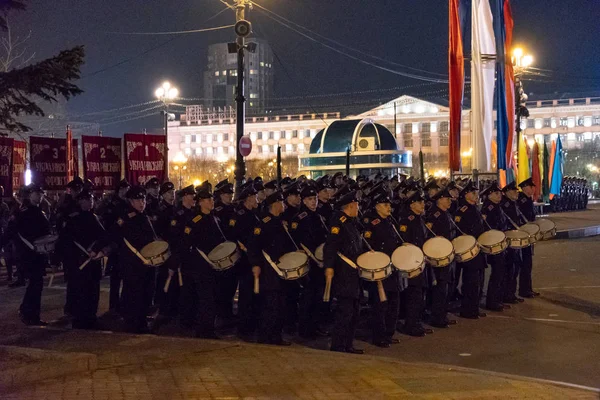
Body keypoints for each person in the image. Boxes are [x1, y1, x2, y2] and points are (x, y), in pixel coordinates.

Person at [57, 190, 112, 329]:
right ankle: (81, 318)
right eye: (87, 199)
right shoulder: (73, 219)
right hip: (79, 261)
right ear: (80, 201)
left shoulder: (93, 217)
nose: (91, 201)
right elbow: (65, 241)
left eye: (92, 199)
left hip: (91, 260)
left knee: (92, 290)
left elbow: (103, 236)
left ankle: (90, 317)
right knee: (81, 290)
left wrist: (96, 249)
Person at [247, 191, 296, 346]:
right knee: (270, 305)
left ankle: (276, 336)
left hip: (281, 269)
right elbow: (254, 246)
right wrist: (255, 264)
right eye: (282, 202)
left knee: (280, 304)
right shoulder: (264, 223)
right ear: (275, 204)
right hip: (269, 271)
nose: (284, 205)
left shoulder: (279, 221)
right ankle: (266, 336)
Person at [324, 191, 365, 354]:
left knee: (354, 310)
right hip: (344, 272)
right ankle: (338, 344)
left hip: (353, 271)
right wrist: (329, 267)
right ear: (351, 205)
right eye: (357, 205)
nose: (358, 208)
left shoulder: (351, 222)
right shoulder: (338, 221)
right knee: (345, 311)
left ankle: (348, 344)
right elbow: (331, 246)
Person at [6, 184, 51, 325]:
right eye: (37, 193)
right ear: (29, 195)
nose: (40, 196)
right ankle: (28, 312)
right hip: (27, 254)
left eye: (41, 193)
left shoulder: (39, 211)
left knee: (37, 284)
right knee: (35, 284)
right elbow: (10, 232)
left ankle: (31, 313)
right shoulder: (22, 213)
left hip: (38, 253)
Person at [114, 185, 158, 333]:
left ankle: (141, 320)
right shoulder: (127, 218)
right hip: (133, 263)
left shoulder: (144, 215)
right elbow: (117, 237)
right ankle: (132, 321)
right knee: (134, 293)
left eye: (143, 199)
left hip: (147, 262)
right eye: (138, 200)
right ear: (131, 201)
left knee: (146, 292)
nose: (142, 202)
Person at [180, 187, 222, 339]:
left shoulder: (214, 217)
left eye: (212, 199)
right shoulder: (195, 220)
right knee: (205, 299)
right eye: (208, 200)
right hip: (201, 265)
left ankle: (209, 327)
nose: (212, 202)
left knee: (213, 297)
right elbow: (187, 243)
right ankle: (203, 329)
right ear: (200, 202)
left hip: (214, 264)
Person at [362, 188, 401, 347]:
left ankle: (388, 333)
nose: (388, 208)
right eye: (385, 205)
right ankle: (379, 336)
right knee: (379, 305)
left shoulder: (390, 221)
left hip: (392, 268)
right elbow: (368, 246)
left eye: (389, 205)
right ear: (377, 206)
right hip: (379, 269)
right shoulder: (372, 223)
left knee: (393, 302)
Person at [290, 185, 329, 339]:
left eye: (315, 199)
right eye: (310, 199)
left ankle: (315, 326)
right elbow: (295, 241)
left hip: (319, 261)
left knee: (318, 297)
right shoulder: (300, 218)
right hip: (307, 262)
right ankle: (305, 329)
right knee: (307, 297)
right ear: (304, 201)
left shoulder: (318, 216)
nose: (313, 202)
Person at [227, 185, 261, 339]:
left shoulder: (253, 214)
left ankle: (251, 323)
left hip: (253, 257)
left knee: (253, 295)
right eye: (255, 197)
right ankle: (244, 326)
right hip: (245, 260)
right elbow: (234, 236)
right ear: (248, 198)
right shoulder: (240, 215)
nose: (257, 200)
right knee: (246, 293)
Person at [398, 190, 433, 336]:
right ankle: (411, 324)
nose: (423, 204)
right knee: (414, 294)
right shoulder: (408, 219)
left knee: (420, 293)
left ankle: (416, 322)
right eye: (420, 202)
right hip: (412, 261)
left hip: (420, 260)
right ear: (412, 204)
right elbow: (405, 242)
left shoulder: (418, 218)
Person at [453, 181, 488, 319]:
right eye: (473, 193)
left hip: (478, 248)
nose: (476, 195)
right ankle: (467, 309)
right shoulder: (463, 210)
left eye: (476, 192)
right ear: (466, 194)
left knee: (478, 280)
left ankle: (474, 307)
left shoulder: (474, 208)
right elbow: (460, 231)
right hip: (469, 249)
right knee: (470, 281)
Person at [424, 187, 458, 328]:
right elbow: (428, 233)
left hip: (447, 253)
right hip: (438, 254)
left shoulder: (446, 213)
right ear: (439, 200)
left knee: (446, 286)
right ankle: (437, 317)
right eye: (446, 199)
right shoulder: (435, 214)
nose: (449, 201)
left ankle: (442, 314)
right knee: (440, 287)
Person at [98, 179, 130, 313]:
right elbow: (110, 225)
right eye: (123, 189)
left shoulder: (128, 203)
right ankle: (114, 305)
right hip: (115, 244)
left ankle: (122, 304)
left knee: (126, 277)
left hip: (125, 244)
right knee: (115, 277)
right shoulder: (112, 204)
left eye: (127, 189)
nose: (125, 191)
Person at [480, 182, 509, 312]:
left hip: (500, 241)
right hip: (494, 243)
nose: (500, 196)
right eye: (496, 193)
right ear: (490, 194)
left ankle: (498, 298)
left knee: (501, 272)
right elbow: (488, 226)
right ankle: (492, 301)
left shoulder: (497, 206)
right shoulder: (488, 208)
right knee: (497, 273)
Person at [213, 179, 238, 320]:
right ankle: (222, 315)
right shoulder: (218, 210)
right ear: (221, 195)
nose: (230, 196)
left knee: (231, 287)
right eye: (227, 194)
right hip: (223, 251)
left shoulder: (233, 208)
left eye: (231, 194)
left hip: (233, 251)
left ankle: (228, 314)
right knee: (222, 287)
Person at [500, 182, 526, 305]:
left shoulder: (512, 203)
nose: (517, 193)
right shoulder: (504, 204)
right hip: (509, 239)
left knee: (515, 267)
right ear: (507, 192)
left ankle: (511, 293)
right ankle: (507, 294)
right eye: (514, 191)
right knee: (509, 268)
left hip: (516, 237)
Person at [516, 178, 540, 298]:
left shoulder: (527, 199)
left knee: (528, 263)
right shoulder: (521, 200)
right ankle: (524, 290)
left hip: (529, 233)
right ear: (525, 187)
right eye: (531, 187)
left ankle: (527, 288)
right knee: (525, 262)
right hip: (524, 233)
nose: (533, 189)